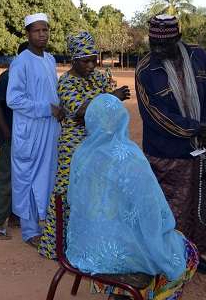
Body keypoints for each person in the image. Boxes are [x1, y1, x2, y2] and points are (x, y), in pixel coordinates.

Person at [66, 94, 198, 300]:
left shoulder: (81, 153)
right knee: (185, 251)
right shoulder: (130, 158)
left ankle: (118, 293)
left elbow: (73, 201)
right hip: (120, 255)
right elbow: (151, 212)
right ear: (122, 118)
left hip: (84, 247)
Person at [136, 14, 206, 276]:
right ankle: (168, 260)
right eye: (154, 45)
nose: (158, 51)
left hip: (201, 147)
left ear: (178, 39)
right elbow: (154, 115)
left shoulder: (200, 57)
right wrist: (195, 128)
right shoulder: (145, 70)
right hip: (165, 153)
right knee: (168, 209)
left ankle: (194, 257)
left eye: (164, 45)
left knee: (199, 206)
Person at [38, 31, 130, 258]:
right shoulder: (66, 82)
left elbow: (99, 112)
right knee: (66, 193)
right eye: (85, 61)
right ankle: (56, 247)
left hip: (100, 143)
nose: (91, 65)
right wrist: (110, 98)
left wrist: (96, 107)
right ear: (73, 60)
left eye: (94, 59)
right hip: (73, 146)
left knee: (97, 194)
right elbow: (81, 111)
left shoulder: (99, 78)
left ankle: (89, 246)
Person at [7, 13, 63, 247]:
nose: (43, 34)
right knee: (28, 179)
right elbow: (13, 99)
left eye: (46, 30)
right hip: (30, 131)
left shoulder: (50, 59)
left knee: (49, 177)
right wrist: (45, 108)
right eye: (37, 30)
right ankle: (30, 231)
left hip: (50, 130)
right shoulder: (21, 61)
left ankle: (48, 226)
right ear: (27, 34)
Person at [0, 42, 28, 239]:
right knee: (6, 178)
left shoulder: (34, 75)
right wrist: (7, 132)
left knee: (23, 178)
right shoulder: (9, 76)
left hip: (28, 138)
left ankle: (15, 215)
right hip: (11, 138)